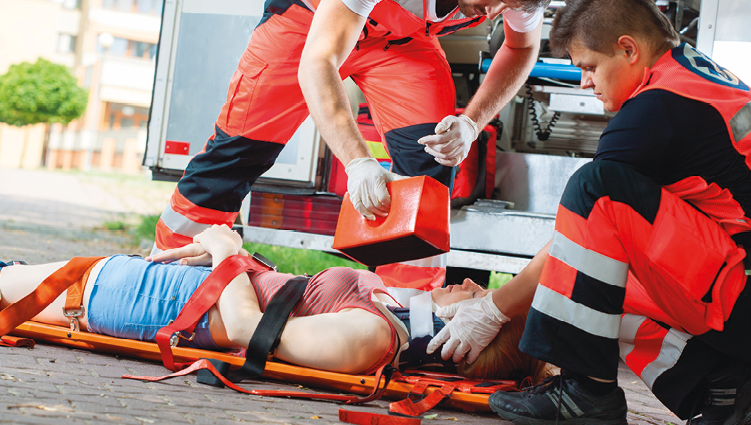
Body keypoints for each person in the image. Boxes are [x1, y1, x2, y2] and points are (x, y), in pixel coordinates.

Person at [426, 0, 751, 424]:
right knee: (602, 272)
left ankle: (587, 392)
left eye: (589, 67)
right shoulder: (689, 75)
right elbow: (583, 245)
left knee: (593, 189)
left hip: (741, 293)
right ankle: (727, 391)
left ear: (628, 49)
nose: (583, 83)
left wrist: (495, 309)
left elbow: (586, 224)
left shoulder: (655, 110)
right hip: (738, 284)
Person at [152, 0, 550, 290]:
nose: (496, 11)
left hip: (401, 42)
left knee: (428, 165)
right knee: (238, 152)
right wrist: (358, 162)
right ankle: (169, 274)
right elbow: (319, 61)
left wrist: (470, 122)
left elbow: (521, 47)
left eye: (509, 4)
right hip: (307, 24)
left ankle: (404, 308)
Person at [0, 225, 548, 382]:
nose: (477, 290)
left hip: (156, 303)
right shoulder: (397, 319)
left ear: (472, 339)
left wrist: (225, 252)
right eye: (486, 293)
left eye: (487, 302)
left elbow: (246, 331)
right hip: (171, 289)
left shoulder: (371, 339)